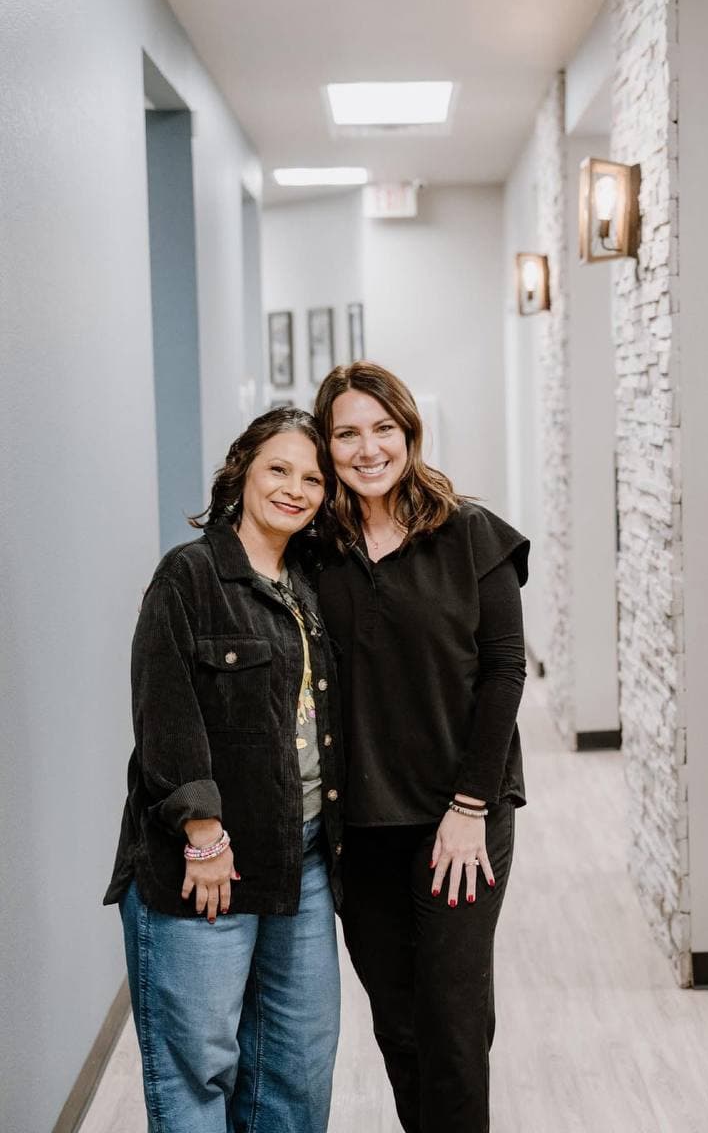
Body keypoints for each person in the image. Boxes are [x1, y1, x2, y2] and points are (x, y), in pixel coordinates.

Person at [104, 408, 343, 1133]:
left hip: (297, 859)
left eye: (312, 478)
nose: (295, 489)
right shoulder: (191, 574)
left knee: (295, 1067)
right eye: (279, 469)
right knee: (197, 1071)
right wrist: (204, 836)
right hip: (202, 864)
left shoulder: (307, 582)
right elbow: (165, 714)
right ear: (241, 470)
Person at [313, 362, 529, 1133]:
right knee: (398, 1021)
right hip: (359, 822)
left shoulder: (469, 534)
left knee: (453, 1018)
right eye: (346, 433)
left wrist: (471, 804)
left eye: (382, 429)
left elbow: (505, 669)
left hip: (459, 818)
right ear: (325, 442)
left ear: (408, 432)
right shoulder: (313, 550)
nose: (367, 448)